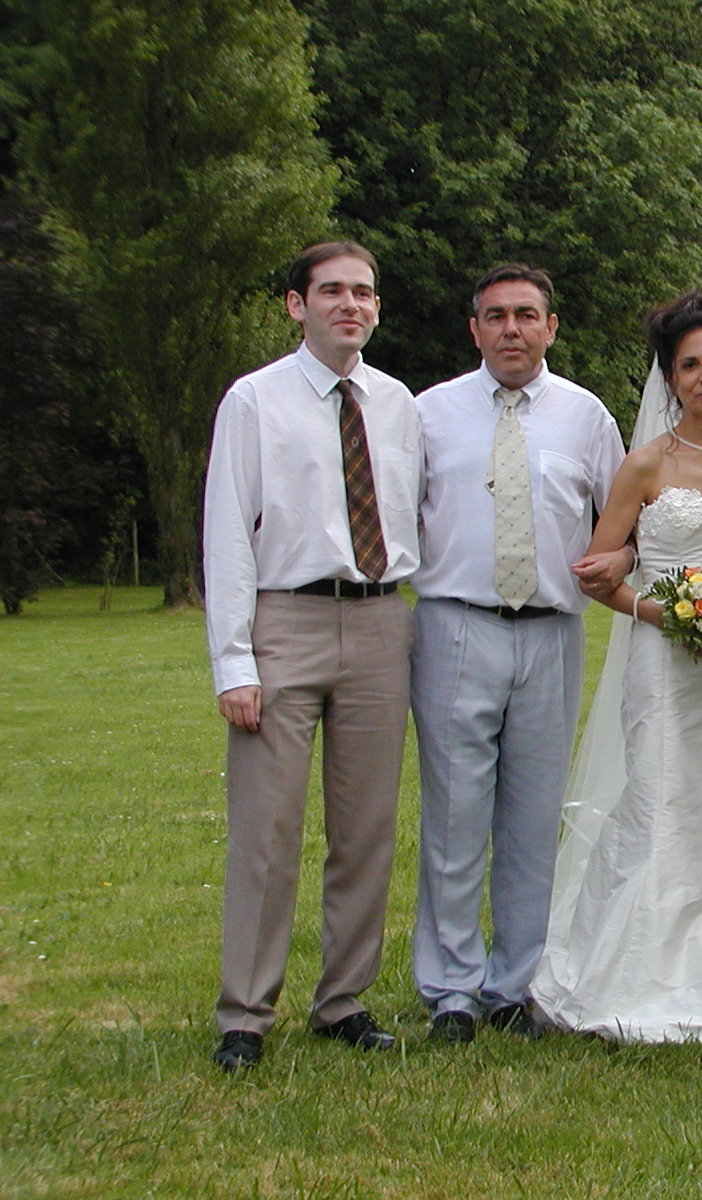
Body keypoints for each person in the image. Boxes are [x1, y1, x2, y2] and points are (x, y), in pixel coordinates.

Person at [531, 291, 702, 1048]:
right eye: (690, 365)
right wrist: (661, 612)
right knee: (659, 802)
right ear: (670, 378)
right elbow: (597, 573)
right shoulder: (646, 463)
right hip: (663, 662)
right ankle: (633, 980)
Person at [203, 241, 421, 1070]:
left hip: (379, 623)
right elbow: (228, 531)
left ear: (377, 308)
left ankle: (343, 1002)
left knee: (366, 829)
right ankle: (246, 1013)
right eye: (331, 291)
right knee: (267, 830)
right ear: (297, 305)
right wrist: (235, 662)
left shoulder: (397, 404)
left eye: (363, 292)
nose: (349, 305)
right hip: (285, 622)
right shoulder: (254, 400)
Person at [408, 264, 624, 1044]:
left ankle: (516, 983)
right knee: (455, 813)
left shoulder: (586, 417)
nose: (511, 329)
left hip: (550, 631)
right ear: (475, 329)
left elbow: (625, 522)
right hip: (455, 624)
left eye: (526, 315)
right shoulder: (428, 414)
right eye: (496, 316)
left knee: (534, 817)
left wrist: (621, 560)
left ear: (550, 326)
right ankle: (452, 988)